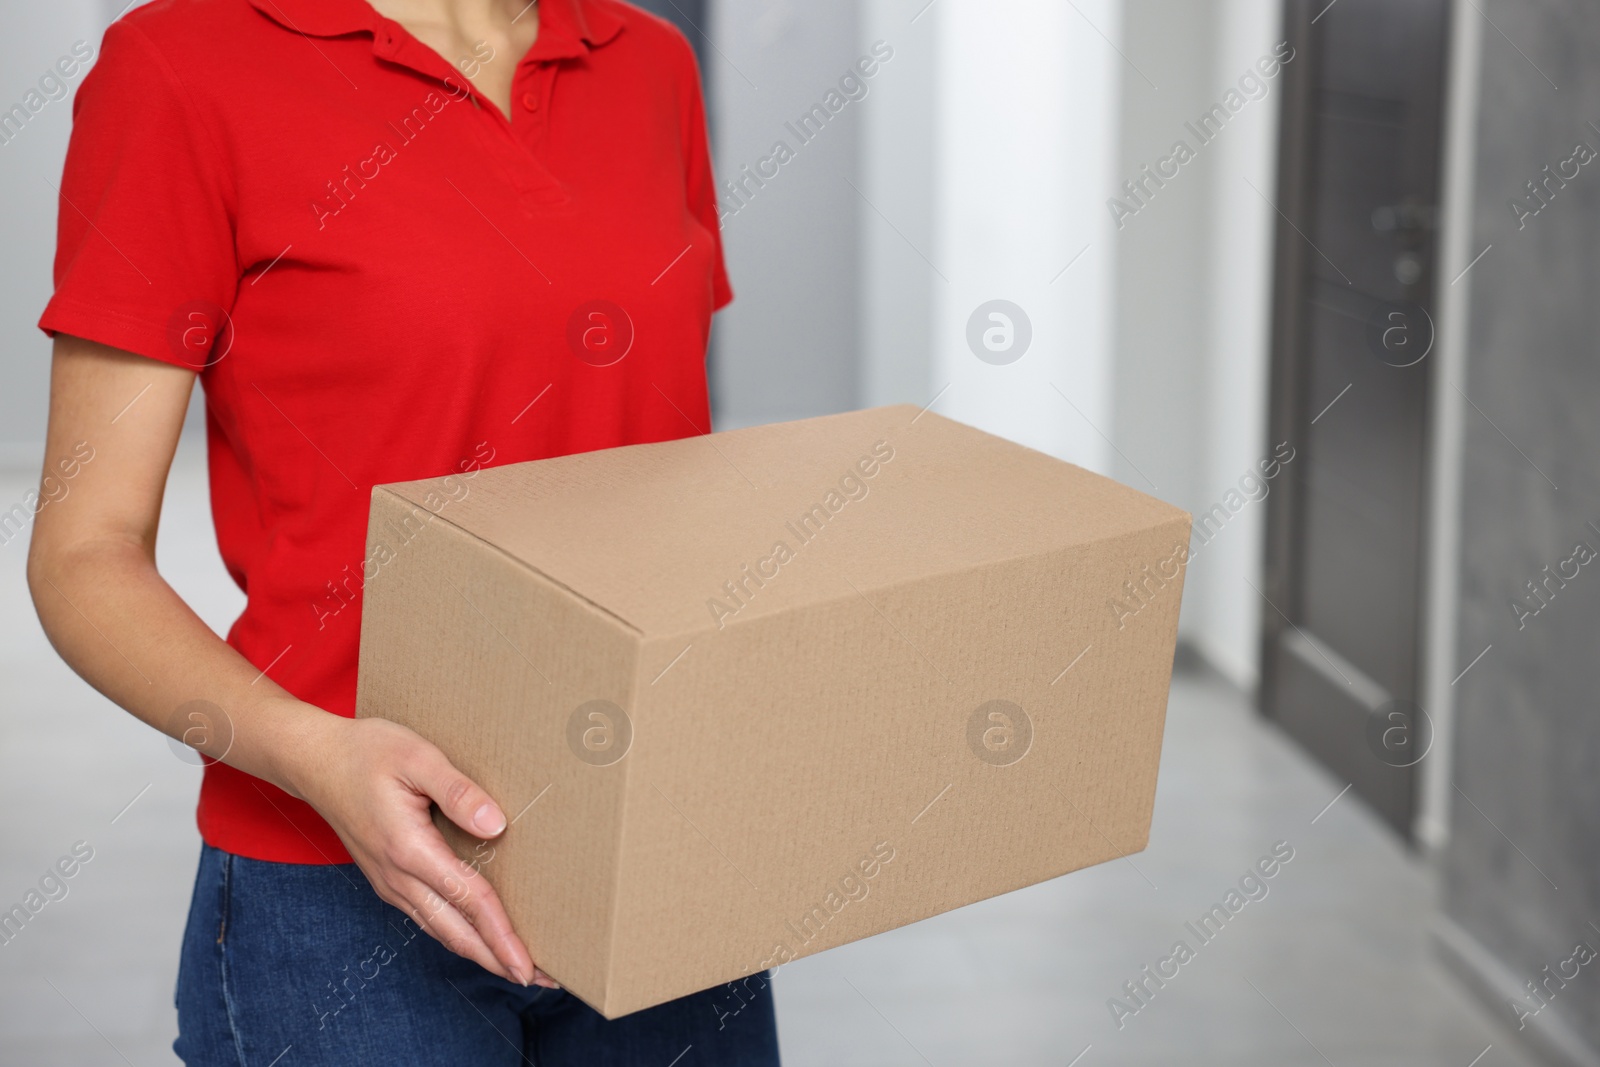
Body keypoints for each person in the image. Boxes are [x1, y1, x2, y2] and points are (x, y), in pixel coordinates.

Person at [27, 0, 780, 1061]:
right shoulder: (183, 64)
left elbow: (651, 466)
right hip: (334, 891)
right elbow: (82, 555)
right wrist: (318, 756)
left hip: (653, 845)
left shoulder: (648, 61)